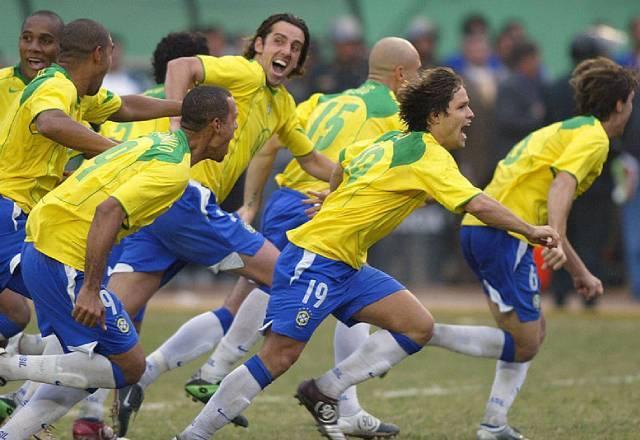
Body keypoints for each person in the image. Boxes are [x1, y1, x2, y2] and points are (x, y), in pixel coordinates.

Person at [174, 67, 560, 440]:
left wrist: (333, 193)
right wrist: (529, 228)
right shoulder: (428, 156)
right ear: (436, 115)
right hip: (315, 259)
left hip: (347, 264)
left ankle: (324, 389)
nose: (471, 114)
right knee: (278, 356)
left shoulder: (393, 142)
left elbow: (345, 160)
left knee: (418, 326)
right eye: (462, 107)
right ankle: (194, 434)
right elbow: (477, 204)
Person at [176, 36, 421, 439]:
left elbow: (270, 145)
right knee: (273, 290)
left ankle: (346, 405)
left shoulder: (324, 99)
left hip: (287, 197)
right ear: (400, 74)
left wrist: (254, 201)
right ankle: (214, 370)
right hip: (318, 204)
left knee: (332, 287)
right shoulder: (395, 115)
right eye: (418, 71)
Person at [106, 13, 334, 437]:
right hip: (187, 200)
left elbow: (313, 161)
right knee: (287, 275)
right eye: (278, 41)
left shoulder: (282, 104)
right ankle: (214, 372)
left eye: (295, 46)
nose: (285, 51)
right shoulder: (244, 73)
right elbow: (181, 67)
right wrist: (178, 125)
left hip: (162, 210)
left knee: (104, 316)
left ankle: (26, 377)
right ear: (259, 45)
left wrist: (358, 182)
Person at [0, 84, 237, 440]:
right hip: (61, 256)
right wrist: (92, 289)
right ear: (217, 125)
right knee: (128, 366)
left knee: (90, 365)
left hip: (48, 245)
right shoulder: (173, 170)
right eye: (235, 121)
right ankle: (8, 365)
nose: (237, 130)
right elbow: (108, 210)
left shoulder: (157, 144)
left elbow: (91, 178)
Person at [427, 57, 637, 440]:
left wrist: (580, 272)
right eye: (632, 102)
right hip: (504, 236)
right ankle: (420, 331)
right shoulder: (594, 139)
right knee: (525, 344)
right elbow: (562, 188)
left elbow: (545, 204)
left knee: (533, 333)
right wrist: (554, 237)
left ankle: (494, 423)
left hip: (486, 230)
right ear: (621, 104)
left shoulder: (560, 130)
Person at [72, 30, 210, 440]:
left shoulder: (134, 96)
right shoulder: (181, 119)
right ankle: (28, 393)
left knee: (113, 329)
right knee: (99, 331)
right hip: (133, 222)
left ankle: (90, 420)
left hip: (113, 224)